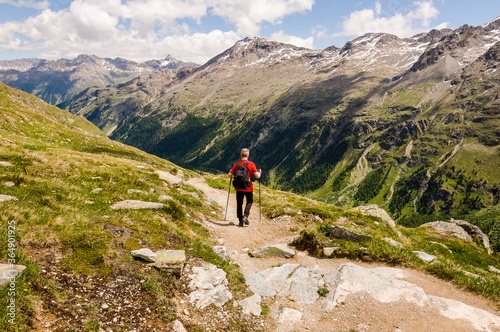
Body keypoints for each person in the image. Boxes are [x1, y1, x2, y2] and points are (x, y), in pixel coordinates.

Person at [228, 148, 262, 227]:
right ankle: (245, 216)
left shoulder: (236, 164)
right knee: (249, 201)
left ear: (241, 155)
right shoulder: (251, 164)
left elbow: (229, 175)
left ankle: (240, 221)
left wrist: (230, 172)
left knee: (239, 203)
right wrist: (260, 172)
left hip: (238, 188)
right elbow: (257, 176)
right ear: (248, 155)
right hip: (248, 187)